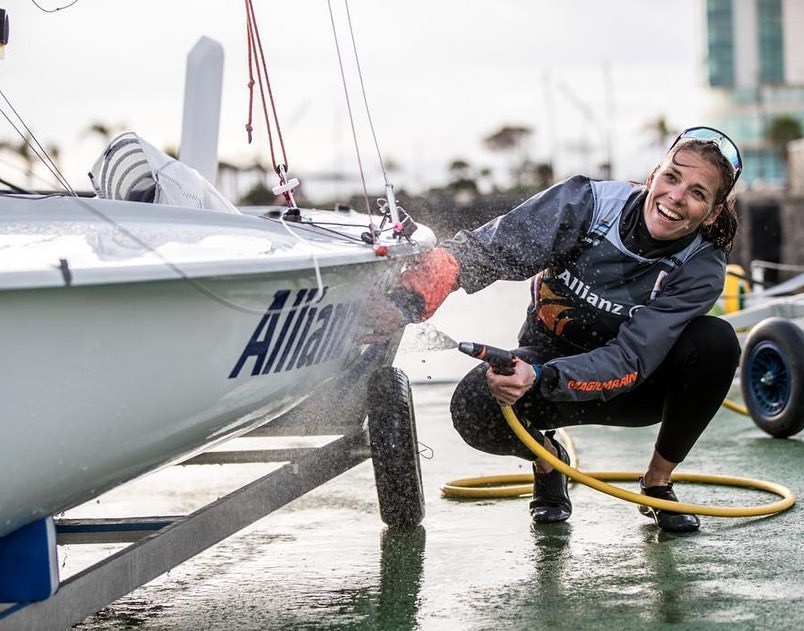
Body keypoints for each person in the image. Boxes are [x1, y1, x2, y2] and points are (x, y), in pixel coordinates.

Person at [371, 126, 743, 532]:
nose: (675, 197)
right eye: (672, 177)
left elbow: (631, 358)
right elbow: (487, 249)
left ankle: (656, 483)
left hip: (636, 387)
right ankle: (549, 463)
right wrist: (407, 300)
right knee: (472, 406)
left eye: (697, 192)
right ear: (653, 175)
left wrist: (544, 377)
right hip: (548, 357)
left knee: (716, 342)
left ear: (713, 211)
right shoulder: (588, 203)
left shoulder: (702, 266)